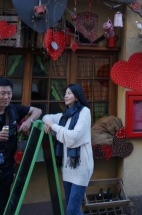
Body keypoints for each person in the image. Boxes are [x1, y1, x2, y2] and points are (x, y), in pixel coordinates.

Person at [42, 84, 93, 215]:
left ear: (77, 97)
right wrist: (47, 122)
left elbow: (74, 137)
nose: (65, 96)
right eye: (65, 93)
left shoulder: (84, 112)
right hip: (68, 168)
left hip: (81, 166)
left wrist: (53, 126)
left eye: (69, 93)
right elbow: (46, 116)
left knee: (72, 210)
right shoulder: (65, 116)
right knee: (71, 209)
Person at [0, 77, 42, 215]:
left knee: (3, 205)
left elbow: (38, 111)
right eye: (2, 93)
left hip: (6, 167)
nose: (6, 97)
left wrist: (29, 121)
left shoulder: (13, 109)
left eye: (9, 93)